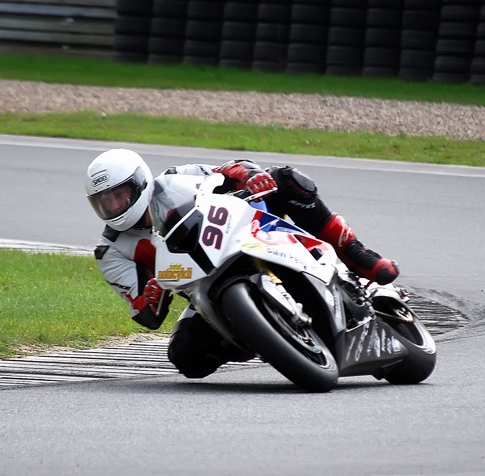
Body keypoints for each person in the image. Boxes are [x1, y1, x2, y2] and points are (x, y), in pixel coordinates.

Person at [85, 148, 399, 378]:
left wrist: (250, 176)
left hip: (245, 235)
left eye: (119, 195)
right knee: (186, 357)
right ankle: (260, 338)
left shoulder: (173, 179)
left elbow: (226, 170)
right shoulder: (110, 251)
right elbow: (143, 311)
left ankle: (355, 253)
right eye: (104, 202)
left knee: (285, 178)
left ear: (139, 184)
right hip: (202, 288)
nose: (113, 206)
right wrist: (150, 298)